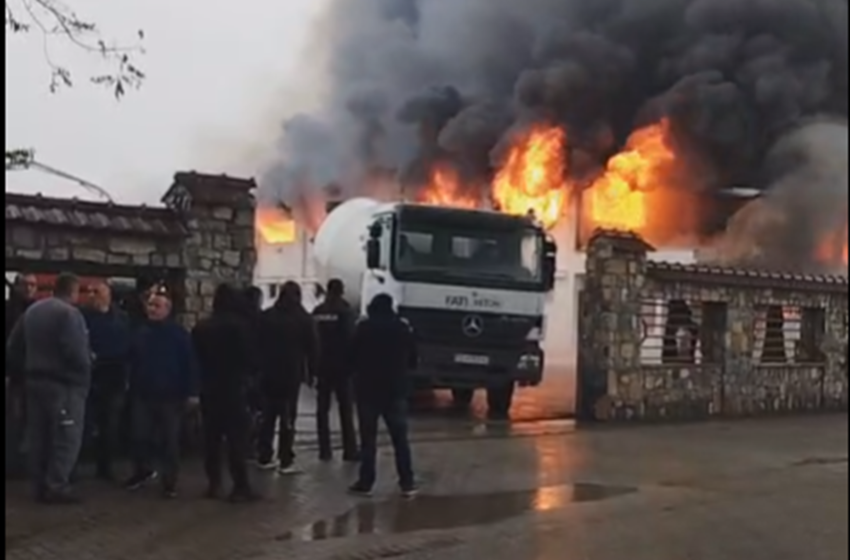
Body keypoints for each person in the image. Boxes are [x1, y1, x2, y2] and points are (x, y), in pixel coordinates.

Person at [6, 273, 91, 503]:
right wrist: (85, 374)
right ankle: (58, 485)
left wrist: (22, 371)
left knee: (38, 436)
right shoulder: (70, 314)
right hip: (63, 384)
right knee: (65, 436)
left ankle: (38, 486)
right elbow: (75, 352)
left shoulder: (32, 311)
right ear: (72, 291)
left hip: (34, 381)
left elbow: (13, 345)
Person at [124, 292, 199, 499]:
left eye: (157, 306)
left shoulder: (179, 335)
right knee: (139, 436)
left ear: (167, 309)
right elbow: (130, 359)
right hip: (143, 393)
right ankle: (142, 471)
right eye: (150, 305)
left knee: (170, 440)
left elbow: (189, 364)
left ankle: (169, 481)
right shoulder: (140, 332)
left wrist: (192, 392)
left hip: (171, 395)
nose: (152, 309)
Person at [191, 284, 258, 502]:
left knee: (212, 439)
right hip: (234, 388)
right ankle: (240, 485)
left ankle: (214, 483)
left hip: (209, 388)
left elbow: (196, 358)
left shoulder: (202, 328)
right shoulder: (241, 327)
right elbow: (250, 358)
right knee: (237, 439)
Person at [348, 293, 419, 498]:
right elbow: (413, 358)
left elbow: (351, 355)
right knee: (400, 440)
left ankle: (366, 482)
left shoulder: (364, 328)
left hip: (368, 390)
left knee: (368, 440)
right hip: (395, 391)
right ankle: (407, 482)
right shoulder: (402, 328)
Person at [256, 281, 318, 474]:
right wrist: (312, 373)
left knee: (267, 416)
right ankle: (285, 459)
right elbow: (313, 348)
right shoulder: (303, 319)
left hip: (267, 373)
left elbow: (255, 342)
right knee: (288, 417)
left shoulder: (266, 316)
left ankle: (264, 455)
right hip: (291, 374)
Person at [81, 281, 132, 480]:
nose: (92, 295)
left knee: (109, 425)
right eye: (90, 291)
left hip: (114, 377)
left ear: (108, 295)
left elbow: (128, 346)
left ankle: (105, 467)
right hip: (90, 376)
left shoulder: (122, 319)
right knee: (84, 424)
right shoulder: (81, 317)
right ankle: (75, 466)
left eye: (97, 291)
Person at [311, 279, 359, 462]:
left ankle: (324, 451)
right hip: (342, 368)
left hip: (322, 366)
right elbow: (351, 339)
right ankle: (350, 450)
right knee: (345, 410)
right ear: (341, 291)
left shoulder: (318, 312)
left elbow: (313, 338)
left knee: (322, 410)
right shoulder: (346, 312)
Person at [5, 273, 38, 478]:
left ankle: (24, 463)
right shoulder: (9, 311)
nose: (29, 288)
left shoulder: (36, 310)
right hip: (15, 374)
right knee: (14, 421)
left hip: (32, 373)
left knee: (29, 421)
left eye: (33, 285)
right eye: (26, 284)